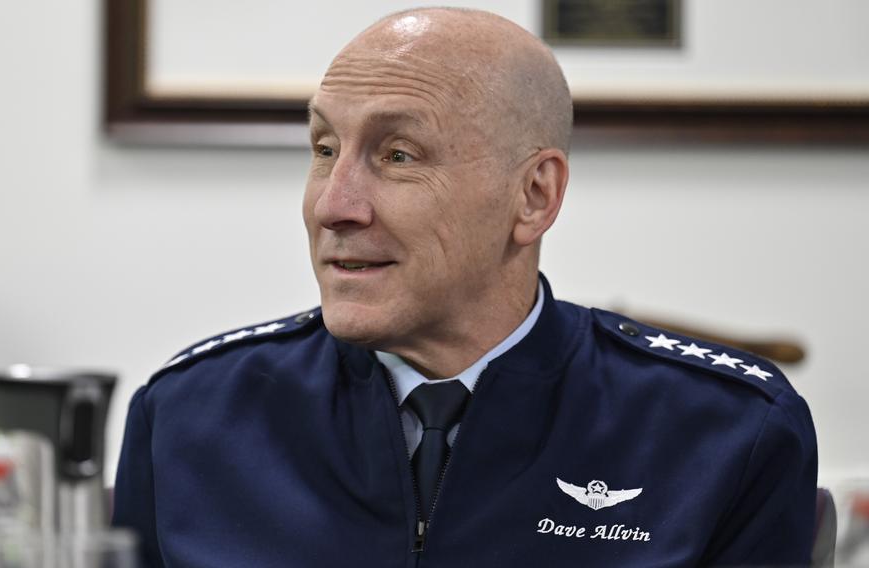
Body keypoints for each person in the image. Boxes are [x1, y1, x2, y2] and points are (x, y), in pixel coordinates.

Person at [112, 7, 817, 567]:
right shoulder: (190, 416)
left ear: (533, 197)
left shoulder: (725, 432)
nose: (335, 204)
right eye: (325, 150)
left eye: (397, 155)